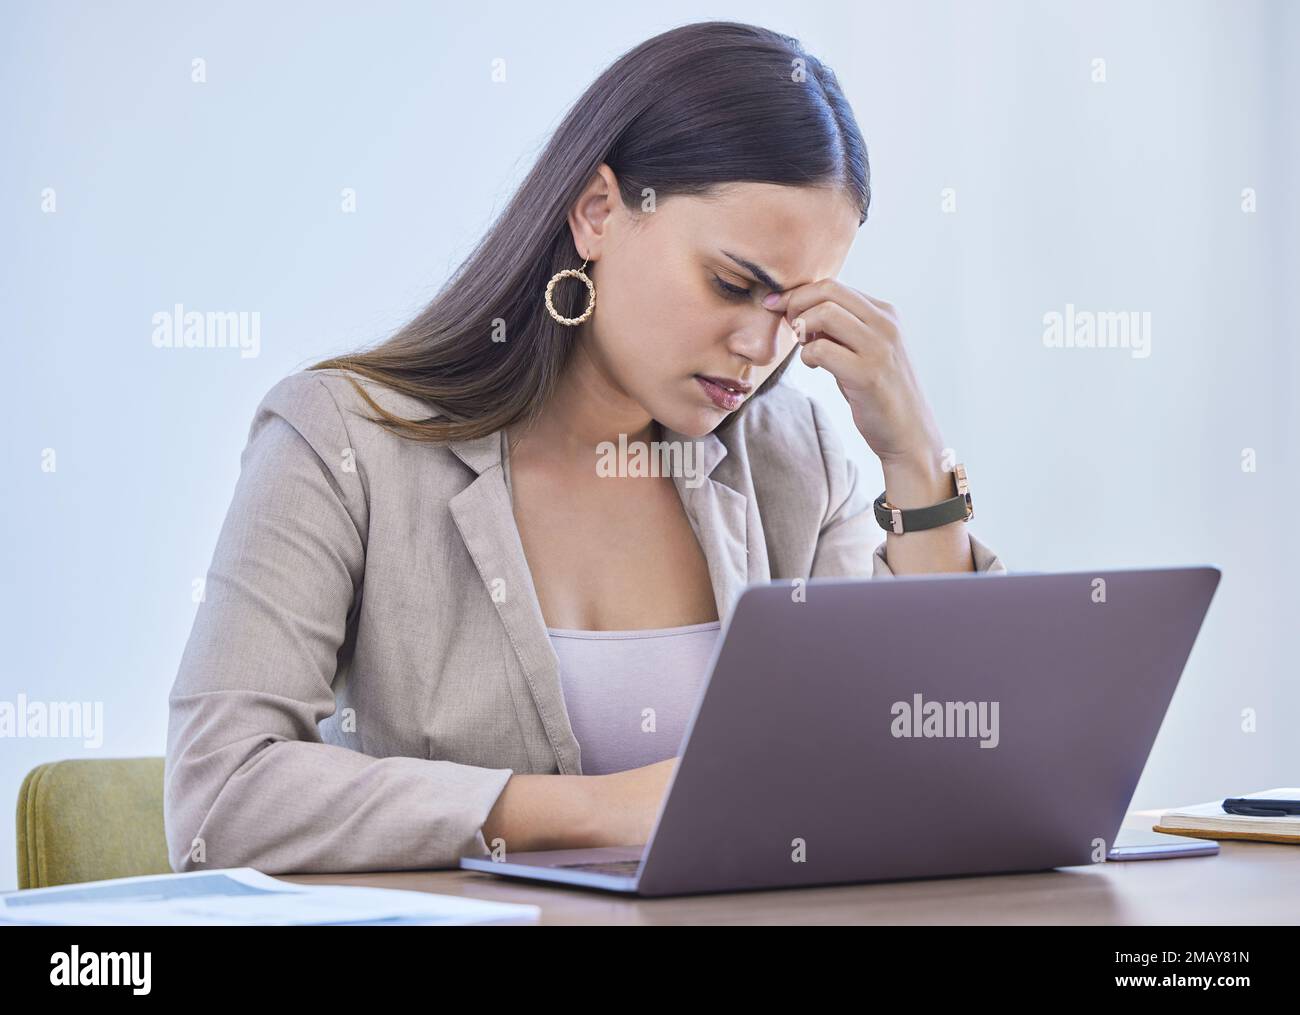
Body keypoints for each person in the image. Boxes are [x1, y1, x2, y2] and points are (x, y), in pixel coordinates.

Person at [164, 20, 1007, 876]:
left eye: (793, 310)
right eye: (730, 284)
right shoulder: (342, 439)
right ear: (599, 212)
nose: (762, 347)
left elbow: (935, 756)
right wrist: (600, 811)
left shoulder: (795, 459)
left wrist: (915, 457)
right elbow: (223, 796)